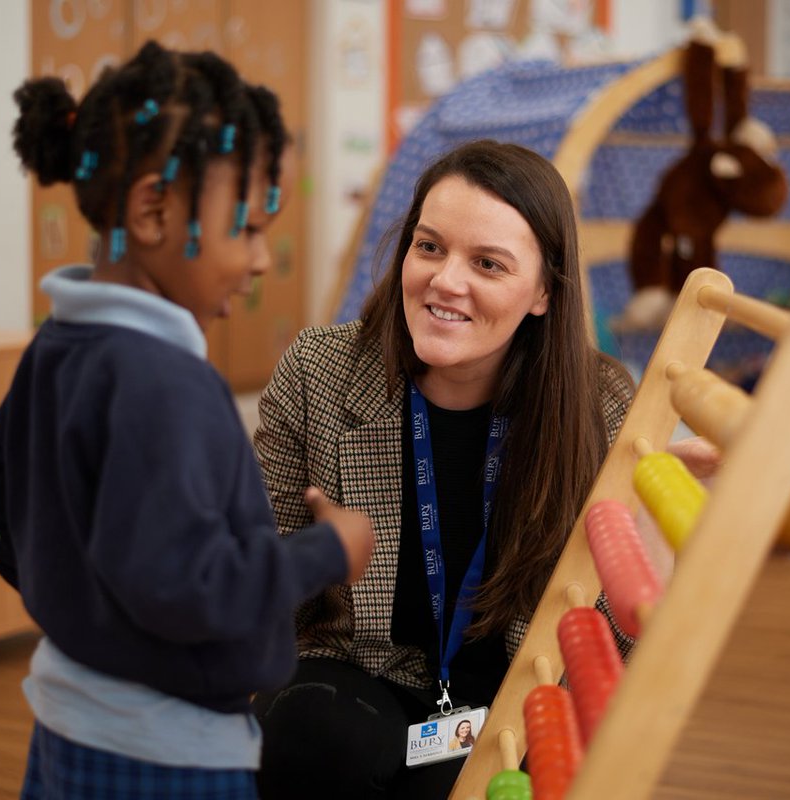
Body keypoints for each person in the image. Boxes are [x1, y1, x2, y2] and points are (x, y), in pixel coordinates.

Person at [0, 41, 374, 800]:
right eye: (245, 229)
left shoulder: (59, 344)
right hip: (166, 757)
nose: (259, 260)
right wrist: (327, 552)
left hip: (67, 717)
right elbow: (190, 585)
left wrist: (75, 598)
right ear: (154, 211)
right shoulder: (165, 384)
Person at [251, 139, 643, 799]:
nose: (445, 280)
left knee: (467, 779)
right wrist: (314, 558)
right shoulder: (316, 372)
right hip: (357, 680)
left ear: (543, 291)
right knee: (313, 735)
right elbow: (260, 607)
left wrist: (657, 543)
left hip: (507, 703)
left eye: (488, 263)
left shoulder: (601, 407)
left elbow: (606, 650)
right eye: (429, 247)